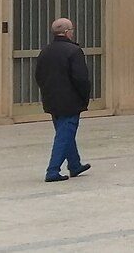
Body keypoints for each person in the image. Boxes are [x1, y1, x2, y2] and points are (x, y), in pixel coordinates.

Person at [35, 17, 93, 182]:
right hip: (70, 101)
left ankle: (74, 165)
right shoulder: (73, 51)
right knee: (64, 135)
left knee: (65, 133)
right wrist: (84, 97)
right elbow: (81, 79)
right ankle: (52, 170)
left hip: (51, 100)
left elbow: (39, 76)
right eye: (72, 30)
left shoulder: (45, 51)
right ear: (67, 32)